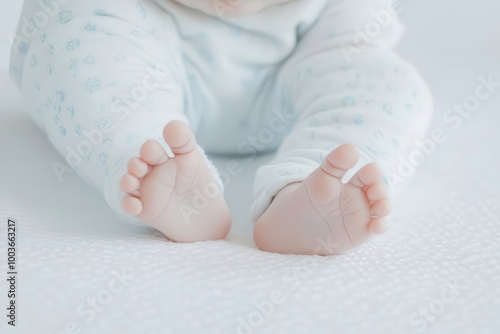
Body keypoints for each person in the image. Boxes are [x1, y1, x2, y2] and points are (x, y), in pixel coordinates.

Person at [9, 0, 432, 255]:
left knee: (388, 85)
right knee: (70, 28)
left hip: (301, 64)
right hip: (144, 41)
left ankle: (313, 188)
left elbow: (364, 56)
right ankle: (147, 156)